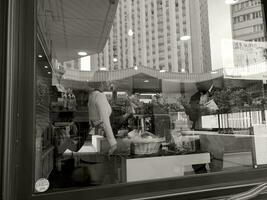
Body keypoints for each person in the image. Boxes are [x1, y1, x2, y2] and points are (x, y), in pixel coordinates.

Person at [88, 82, 117, 154]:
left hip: (96, 129)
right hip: (102, 130)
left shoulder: (92, 95)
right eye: (107, 82)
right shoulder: (100, 96)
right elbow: (105, 120)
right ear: (101, 84)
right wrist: (113, 143)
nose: (109, 84)